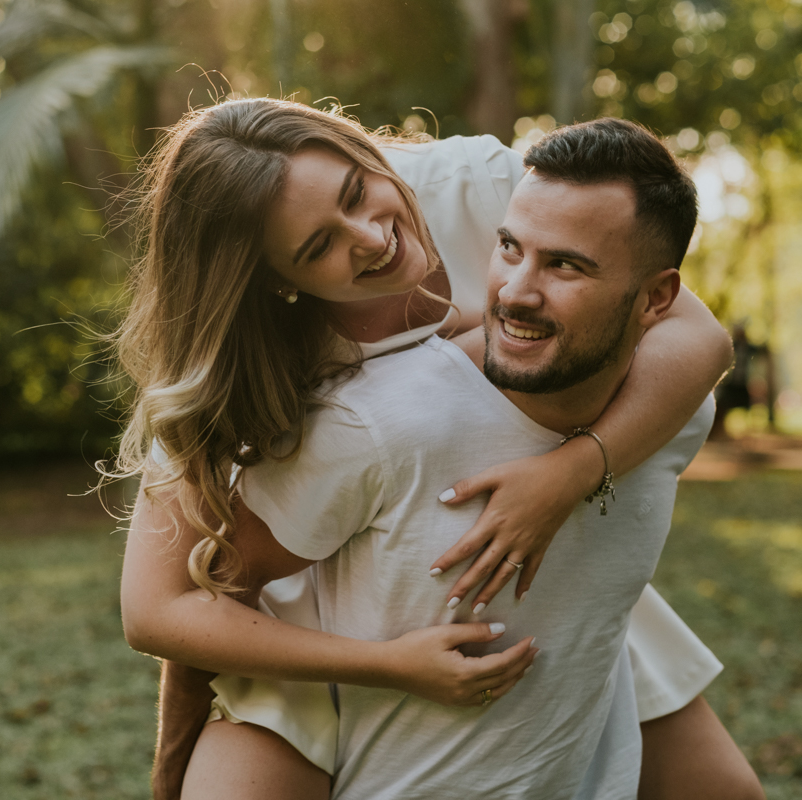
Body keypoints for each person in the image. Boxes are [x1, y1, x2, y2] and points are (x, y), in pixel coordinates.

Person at [113, 100, 760, 799]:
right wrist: (174, 767)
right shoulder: (233, 365)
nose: (370, 237)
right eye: (317, 248)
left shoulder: (475, 184)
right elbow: (169, 605)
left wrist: (570, 473)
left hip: (531, 548)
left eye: (359, 191)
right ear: (276, 280)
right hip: (317, 597)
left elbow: (696, 338)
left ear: (362, 154)